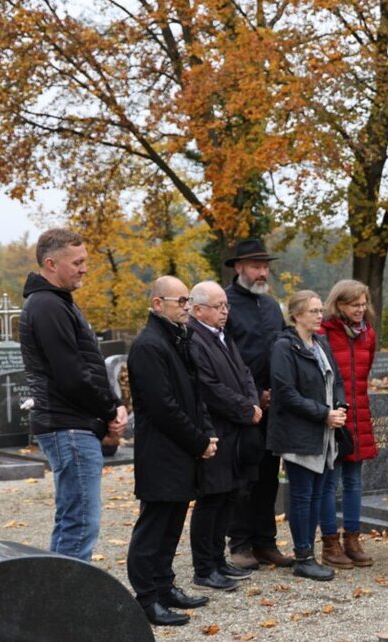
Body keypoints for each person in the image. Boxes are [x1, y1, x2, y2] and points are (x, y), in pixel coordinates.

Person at [19, 228, 127, 561]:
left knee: (73, 519)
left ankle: (57, 602)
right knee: (80, 523)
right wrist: (110, 412)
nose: (84, 268)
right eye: (76, 262)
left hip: (73, 423)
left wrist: (114, 406)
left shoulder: (57, 303)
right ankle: (64, 608)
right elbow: (72, 376)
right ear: (51, 264)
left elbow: (85, 366)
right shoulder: (48, 305)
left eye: (85, 261)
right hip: (69, 425)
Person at [126, 277, 217, 626]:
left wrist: (206, 434)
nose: (186, 306)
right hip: (162, 452)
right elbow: (162, 407)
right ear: (156, 303)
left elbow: (194, 396)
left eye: (188, 300)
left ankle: (164, 586)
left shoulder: (177, 339)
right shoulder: (149, 346)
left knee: (172, 524)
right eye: (180, 300)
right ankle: (147, 599)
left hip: (182, 451)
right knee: (154, 526)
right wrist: (198, 441)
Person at [267, 290, 349, 581]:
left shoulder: (321, 344)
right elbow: (285, 393)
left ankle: (309, 553)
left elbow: (336, 380)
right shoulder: (284, 347)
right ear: (297, 315)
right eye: (314, 311)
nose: (320, 316)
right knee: (302, 496)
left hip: (325, 433)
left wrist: (340, 407)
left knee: (317, 494)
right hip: (300, 432)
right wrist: (323, 413)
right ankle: (303, 556)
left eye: (320, 310)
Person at [187, 281, 264, 588]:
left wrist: (253, 400)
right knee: (211, 499)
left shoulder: (221, 336)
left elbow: (244, 373)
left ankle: (218, 560)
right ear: (197, 309)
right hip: (216, 432)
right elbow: (208, 387)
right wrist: (246, 408)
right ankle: (204, 568)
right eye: (218, 306)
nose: (224, 311)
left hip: (236, 433)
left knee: (229, 496)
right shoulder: (195, 339)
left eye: (226, 306)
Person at [223, 239, 294, 569]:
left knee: (269, 476)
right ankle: (240, 543)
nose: (262, 272)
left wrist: (276, 391)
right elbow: (226, 357)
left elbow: (280, 348)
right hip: (241, 406)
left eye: (265, 266)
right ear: (239, 267)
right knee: (244, 476)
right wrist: (254, 395)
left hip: (274, 405)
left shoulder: (270, 306)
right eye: (255, 266)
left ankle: (266, 542)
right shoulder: (225, 304)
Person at [318, 280, 378, 569]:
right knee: (330, 482)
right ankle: (330, 543)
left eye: (364, 303)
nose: (361, 309)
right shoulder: (323, 334)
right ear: (339, 305)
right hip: (334, 417)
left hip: (359, 416)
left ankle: (353, 539)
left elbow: (364, 374)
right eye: (355, 304)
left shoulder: (367, 335)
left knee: (355, 482)